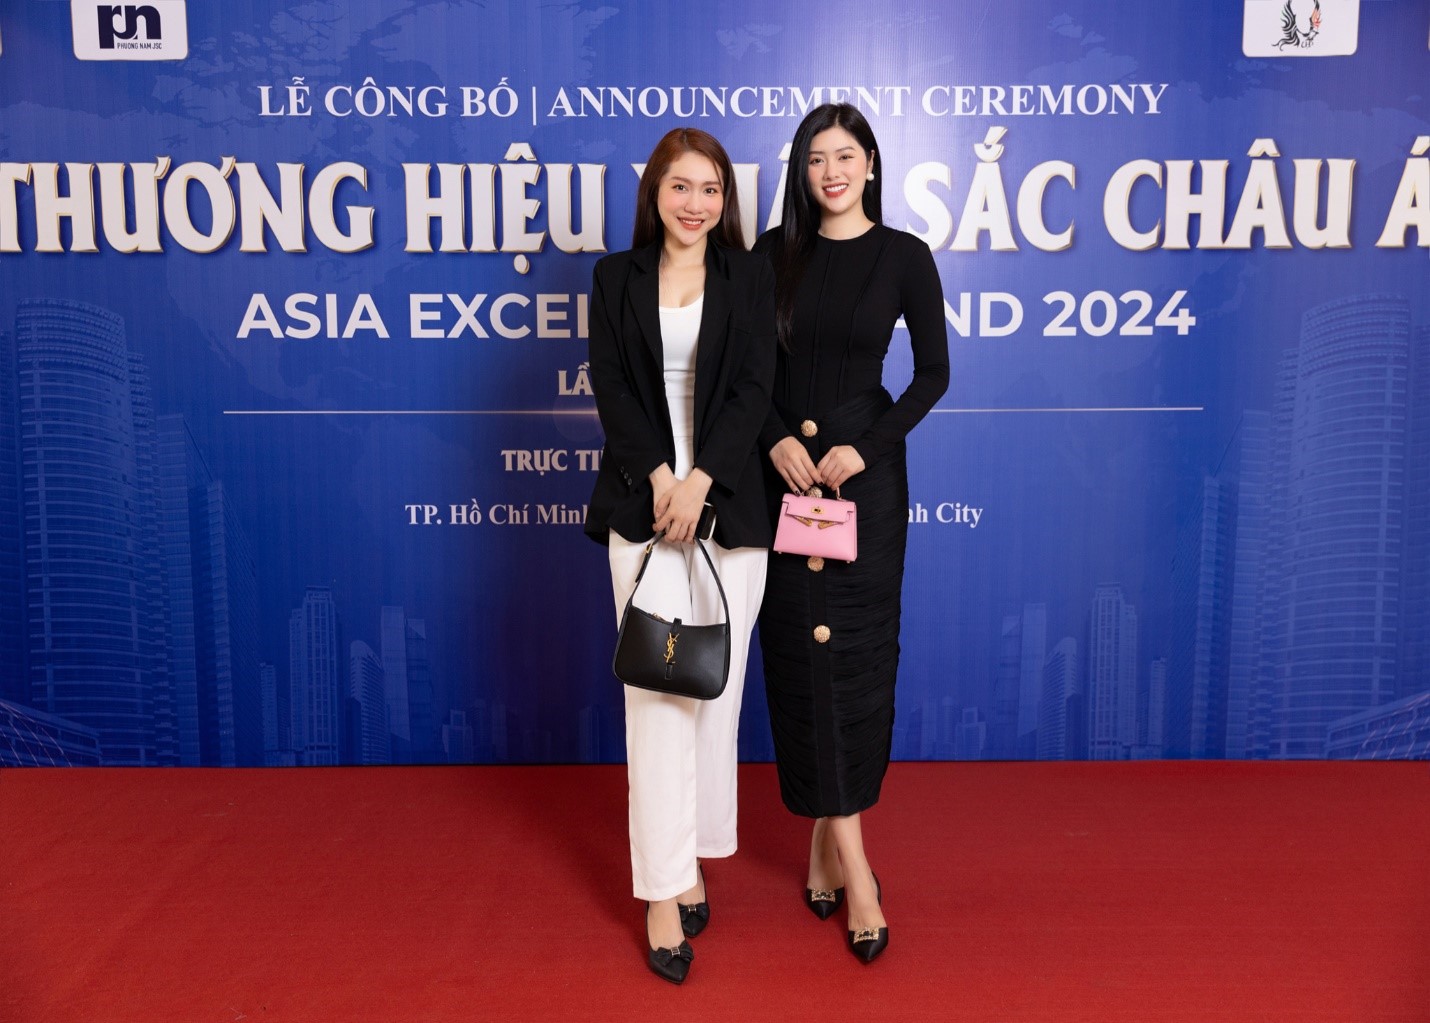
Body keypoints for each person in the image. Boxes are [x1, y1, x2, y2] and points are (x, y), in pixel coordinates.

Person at [755, 103, 950, 964]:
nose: (831, 171)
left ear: (870, 162)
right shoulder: (770, 256)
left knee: (859, 657)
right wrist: (771, 440)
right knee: (802, 660)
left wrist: (861, 449)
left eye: (845, 155)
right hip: (783, 484)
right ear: (801, 172)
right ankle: (851, 861)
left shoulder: (904, 256)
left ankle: (837, 853)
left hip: (863, 486)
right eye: (815, 159)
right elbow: (741, 371)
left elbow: (933, 374)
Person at [585, 127, 776, 984]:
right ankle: (663, 890)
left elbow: (752, 390)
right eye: (680, 187)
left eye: (711, 189)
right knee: (657, 699)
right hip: (643, 506)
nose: (696, 203)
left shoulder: (749, 275)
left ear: (726, 199)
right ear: (654, 193)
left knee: (715, 696)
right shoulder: (614, 278)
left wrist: (702, 480)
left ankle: (695, 853)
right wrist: (663, 477)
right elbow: (612, 387)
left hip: (728, 510)